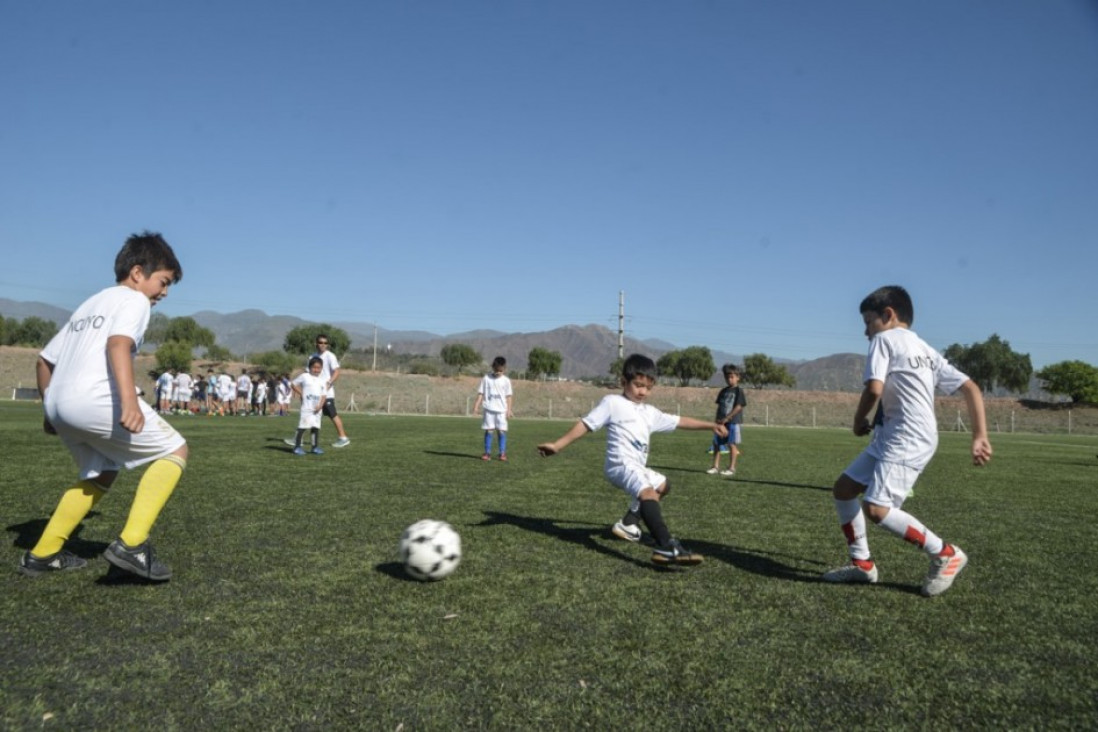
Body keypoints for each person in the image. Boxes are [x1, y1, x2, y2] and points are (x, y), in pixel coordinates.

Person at [18, 231, 187, 581]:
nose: (165, 292)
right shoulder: (134, 300)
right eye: (164, 282)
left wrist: (49, 409)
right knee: (175, 451)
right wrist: (130, 401)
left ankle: (43, 554)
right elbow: (119, 344)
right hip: (94, 398)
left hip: (61, 402)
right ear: (138, 273)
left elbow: (44, 360)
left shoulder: (91, 303)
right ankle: (132, 544)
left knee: (101, 472)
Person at [822, 285, 992, 597]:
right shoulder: (925, 348)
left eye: (867, 321)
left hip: (906, 437)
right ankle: (862, 565)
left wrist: (858, 420)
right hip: (895, 436)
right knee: (844, 489)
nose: (865, 331)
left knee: (877, 508)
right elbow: (971, 387)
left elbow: (874, 389)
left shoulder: (883, 340)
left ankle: (945, 554)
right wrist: (979, 435)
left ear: (888, 315)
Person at [537, 353, 727, 566]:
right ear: (623, 382)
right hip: (620, 464)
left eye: (648, 387)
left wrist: (711, 425)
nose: (643, 391)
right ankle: (666, 546)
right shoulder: (612, 403)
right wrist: (557, 445)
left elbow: (680, 421)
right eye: (637, 385)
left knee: (663, 485)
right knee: (647, 492)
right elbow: (586, 424)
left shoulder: (649, 412)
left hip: (636, 466)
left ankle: (629, 523)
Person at [284, 334, 350, 447]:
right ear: (316, 343)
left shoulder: (330, 356)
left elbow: (337, 371)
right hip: (313, 393)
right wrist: (302, 388)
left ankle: (343, 438)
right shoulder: (312, 357)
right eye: (320, 342)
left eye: (325, 343)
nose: (322, 345)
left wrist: (329, 383)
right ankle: (297, 439)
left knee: (332, 414)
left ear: (327, 345)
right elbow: (307, 373)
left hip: (326, 393)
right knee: (308, 413)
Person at [707, 363, 746, 477]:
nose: (729, 379)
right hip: (721, 422)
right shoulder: (723, 391)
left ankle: (731, 468)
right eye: (727, 377)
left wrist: (727, 418)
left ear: (738, 377)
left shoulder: (739, 391)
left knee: (731, 444)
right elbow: (720, 406)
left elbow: (739, 406)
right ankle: (715, 466)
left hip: (733, 422)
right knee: (716, 443)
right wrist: (717, 421)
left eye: (732, 377)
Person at [473, 356, 513, 461]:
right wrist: (476, 406)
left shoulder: (506, 381)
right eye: (496, 370)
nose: (498, 372)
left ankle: (502, 453)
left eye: (501, 370)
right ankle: (487, 453)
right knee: (489, 431)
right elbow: (481, 393)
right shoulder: (486, 378)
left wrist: (509, 410)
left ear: (504, 369)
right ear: (493, 367)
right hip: (489, 410)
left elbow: (508, 396)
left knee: (501, 431)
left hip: (501, 411)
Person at [290, 356, 326, 455]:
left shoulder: (322, 380)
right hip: (307, 407)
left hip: (317, 409)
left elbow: (324, 395)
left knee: (315, 427)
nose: (316, 370)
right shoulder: (305, 376)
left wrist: (320, 406)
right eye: (314, 367)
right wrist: (301, 393)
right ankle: (297, 447)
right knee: (303, 426)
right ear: (309, 367)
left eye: (319, 368)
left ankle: (314, 447)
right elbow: (293, 384)